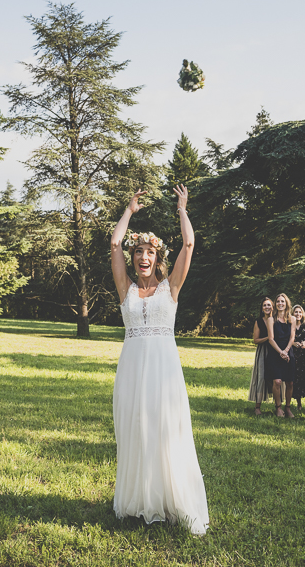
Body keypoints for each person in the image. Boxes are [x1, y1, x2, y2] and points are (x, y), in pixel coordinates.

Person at [109, 185, 209, 535]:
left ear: (157, 257)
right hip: (133, 371)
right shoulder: (126, 290)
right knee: (137, 431)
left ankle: (170, 501)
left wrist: (182, 209)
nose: (142, 257)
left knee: (167, 431)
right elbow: (113, 244)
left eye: (148, 252)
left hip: (165, 374)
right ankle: (139, 501)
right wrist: (129, 211)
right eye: (138, 251)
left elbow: (190, 244)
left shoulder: (171, 289)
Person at [265, 293, 297, 418]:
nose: (280, 304)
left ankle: (288, 408)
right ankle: (278, 408)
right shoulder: (271, 320)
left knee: (290, 383)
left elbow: (292, 337)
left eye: (282, 301)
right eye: (278, 301)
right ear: (275, 304)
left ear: (286, 303)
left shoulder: (292, 319)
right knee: (277, 381)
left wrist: (287, 350)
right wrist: (281, 352)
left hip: (289, 352)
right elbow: (271, 339)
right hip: (275, 353)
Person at [249, 298, 274, 415]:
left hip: (275, 350)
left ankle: (279, 405)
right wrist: (268, 338)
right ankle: (257, 406)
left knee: (276, 378)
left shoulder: (277, 320)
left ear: (272, 306)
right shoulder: (258, 321)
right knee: (261, 377)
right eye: (264, 305)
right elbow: (255, 340)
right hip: (263, 351)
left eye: (269, 305)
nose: (267, 307)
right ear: (262, 308)